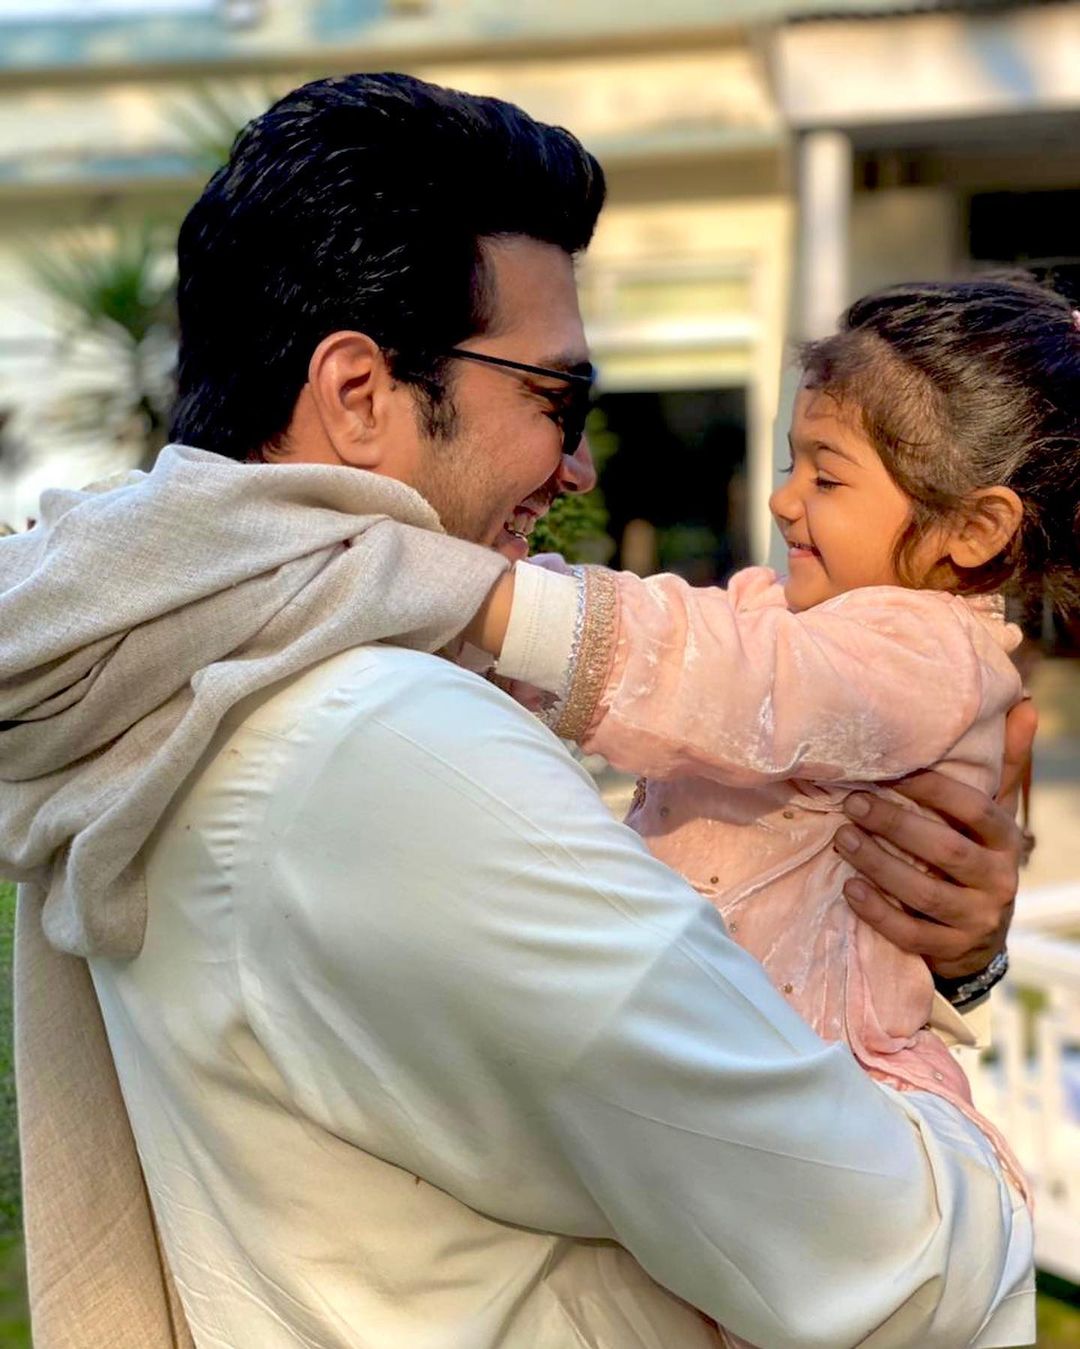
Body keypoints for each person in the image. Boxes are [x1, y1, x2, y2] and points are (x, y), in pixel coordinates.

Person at [0, 75, 1035, 1349]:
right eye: (558, 401)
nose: (580, 465)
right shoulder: (394, 750)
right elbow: (900, 1273)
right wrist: (958, 1126)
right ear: (360, 392)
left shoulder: (175, 669)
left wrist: (925, 937)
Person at [468, 277, 1080, 1291]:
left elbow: (732, 679)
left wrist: (489, 604)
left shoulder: (926, 654)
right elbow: (703, 658)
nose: (783, 497)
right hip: (739, 1081)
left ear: (972, 532)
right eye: (795, 461)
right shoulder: (808, 621)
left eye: (827, 478)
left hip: (821, 1089)